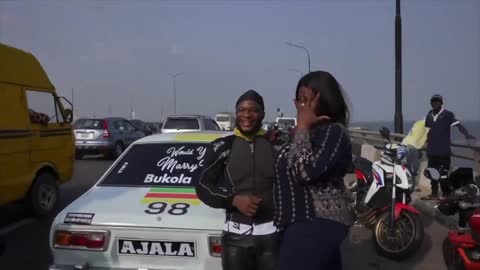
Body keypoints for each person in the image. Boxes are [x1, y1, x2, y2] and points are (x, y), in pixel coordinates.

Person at [274, 71, 353, 270]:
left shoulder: (333, 132)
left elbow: (306, 172)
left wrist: (301, 127)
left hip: (316, 220)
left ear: (324, 100)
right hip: (300, 221)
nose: (301, 106)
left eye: (306, 100)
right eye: (298, 100)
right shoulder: (310, 133)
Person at [196, 90, 281, 270]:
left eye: (253, 110)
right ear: (236, 113)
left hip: (274, 237)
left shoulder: (277, 146)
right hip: (235, 239)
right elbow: (202, 186)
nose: (247, 115)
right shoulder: (223, 146)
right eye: (241, 110)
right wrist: (233, 200)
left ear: (263, 114)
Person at [422, 94, 476, 200]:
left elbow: (459, 126)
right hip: (432, 151)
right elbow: (428, 131)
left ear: (441, 103)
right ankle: (434, 194)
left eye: (438, 101)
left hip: (443, 152)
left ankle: (446, 195)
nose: (435, 103)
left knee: (443, 176)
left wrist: (467, 135)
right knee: (433, 175)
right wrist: (425, 143)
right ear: (431, 103)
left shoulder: (448, 114)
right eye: (433, 101)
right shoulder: (429, 115)